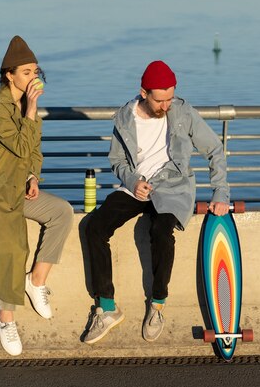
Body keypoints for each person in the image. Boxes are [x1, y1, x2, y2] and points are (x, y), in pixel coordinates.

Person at [83, 60, 230, 344]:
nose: (166, 105)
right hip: (137, 188)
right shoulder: (124, 118)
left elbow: (214, 150)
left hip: (172, 188)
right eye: (160, 100)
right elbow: (116, 161)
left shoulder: (184, 112)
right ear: (144, 93)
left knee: (160, 232)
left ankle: (158, 303)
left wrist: (220, 193)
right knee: (94, 228)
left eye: (170, 98)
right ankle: (107, 307)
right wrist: (132, 181)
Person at [0, 35, 73, 356]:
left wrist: (32, 175)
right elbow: (23, 144)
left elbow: (33, 151)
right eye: (26, 72)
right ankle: (5, 316)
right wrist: (33, 108)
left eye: (35, 71)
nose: (33, 77)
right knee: (12, 244)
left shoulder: (23, 106)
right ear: (8, 75)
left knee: (61, 212)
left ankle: (36, 281)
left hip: (17, 187)